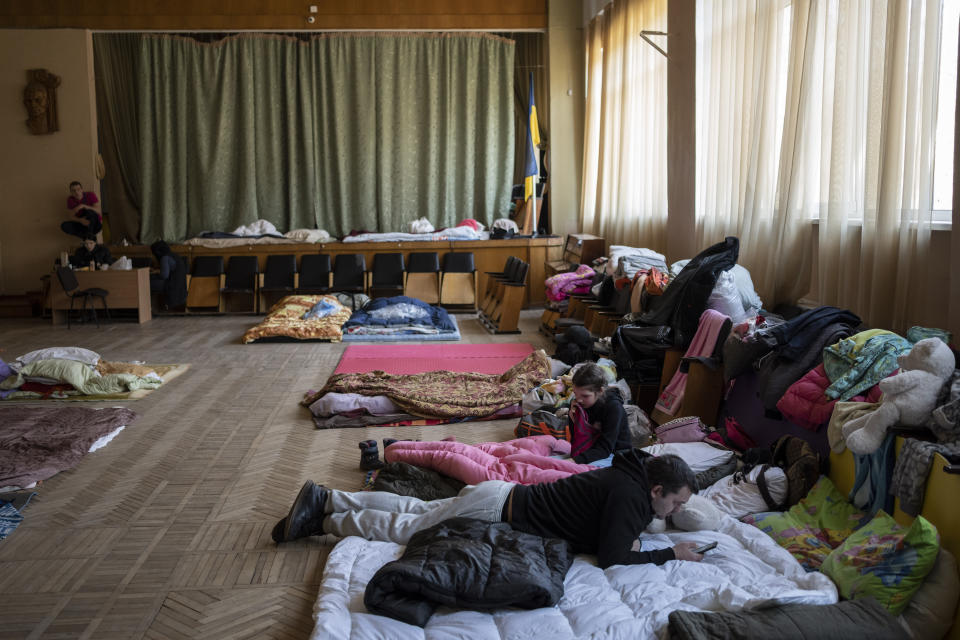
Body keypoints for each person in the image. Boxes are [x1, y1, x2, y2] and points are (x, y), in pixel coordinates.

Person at [272, 451, 705, 569]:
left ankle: (327, 499)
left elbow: (605, 531)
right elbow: (612, 557)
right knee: (410, 528)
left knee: (414, 507)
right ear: (657, 489)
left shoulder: (628, 472)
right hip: (496, 511)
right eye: (675, 502)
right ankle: (327, 518)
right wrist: (669, 552)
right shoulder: (632, 498)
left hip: (498, 494)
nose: (673, 511)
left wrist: (630, 534)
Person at [568, 362, 632, 466]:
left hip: (616, 454)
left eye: (585, 396)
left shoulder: (613, 408)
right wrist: (573, 420)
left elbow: (604, 448)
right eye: (575, 393)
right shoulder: (580, 404)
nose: (579, 400)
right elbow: (576, 440)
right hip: (591, 450)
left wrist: (575, 461)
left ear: (600, 391)